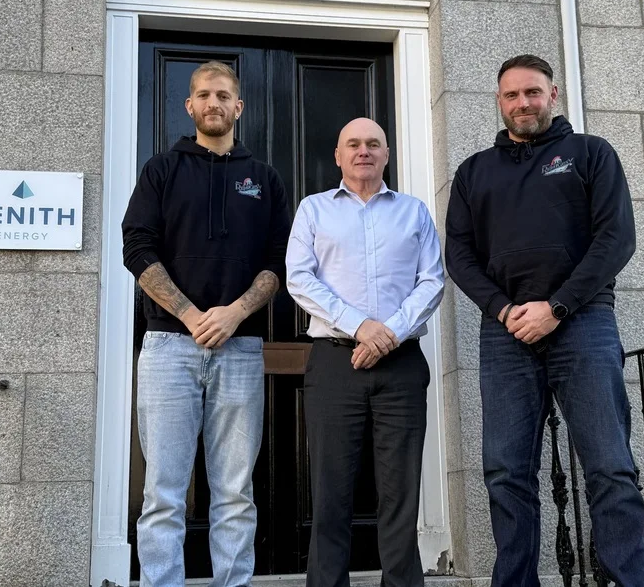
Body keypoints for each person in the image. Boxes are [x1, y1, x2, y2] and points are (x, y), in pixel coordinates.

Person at [445, 55, 644, 586]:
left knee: (609, 467)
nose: (523, 104)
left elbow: (615, 240)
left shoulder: (590, 154)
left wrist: (557, 307)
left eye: (532, 92)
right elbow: (460, 256)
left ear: (553, 94)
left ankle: (627, 580)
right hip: (506, 331)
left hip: (582, 324)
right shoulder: (473, 172)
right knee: (506, 473)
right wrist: (505, 309)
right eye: (511, 95)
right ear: (499, 101)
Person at [122, 61, 291, 587]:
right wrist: (193, 316)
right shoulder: (161, 171)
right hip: (168, 348)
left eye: (223, 95)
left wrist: (236, 312)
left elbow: (280, 261)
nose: (213, 103)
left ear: (238, 107)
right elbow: (137, 249)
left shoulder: (263, 179)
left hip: (240, 351)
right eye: (202, 95)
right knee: (163, 493)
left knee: (235, 493)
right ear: (190, 106)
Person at [285, 117, 444, 587]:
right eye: (352, 144)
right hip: (334, 363)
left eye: (374, 144)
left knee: (401, 493)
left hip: (402, 365)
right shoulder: (313, 210)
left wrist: (388, 334)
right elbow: (299, 277)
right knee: (331, 492)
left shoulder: (414, 212)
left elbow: (432, 281)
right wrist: (362, 328)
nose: (363, 151)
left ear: (387, 154)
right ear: (337, 155)